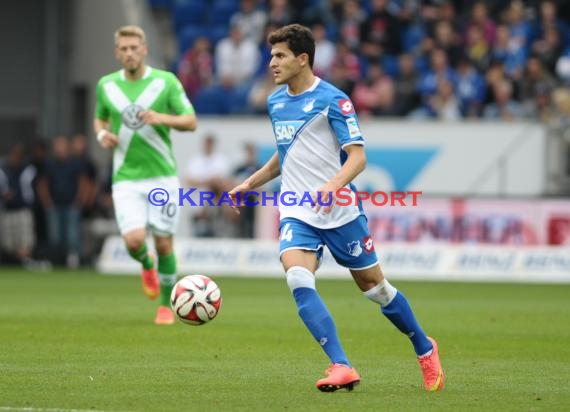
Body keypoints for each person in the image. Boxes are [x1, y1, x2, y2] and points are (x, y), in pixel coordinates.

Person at [228, 24, 444, 393]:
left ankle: (424, 347)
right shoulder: (275, 101)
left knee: (375, 288)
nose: (272, 63)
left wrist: (331, 186)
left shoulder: (334, 99)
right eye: (271, 55)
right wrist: (250, 182)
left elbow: (358, 158)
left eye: (280, 56)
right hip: (297, 209)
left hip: (340, 210)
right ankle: (341, 365)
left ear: (302, 58)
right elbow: (285, 155)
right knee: (297, 277)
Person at [93, 25, 197, 325]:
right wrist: (102, 136)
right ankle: (146, 263)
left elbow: (190, 121)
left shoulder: (165, 82)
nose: (129, 53)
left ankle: (165, 306)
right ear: (117, 52)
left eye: (133, 48)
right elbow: (100, 119)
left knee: (164, 242)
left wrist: (159, 117)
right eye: (123, 49)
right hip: (126, 176)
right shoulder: (106, 86)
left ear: (144, 49)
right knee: (134, 240)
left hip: (161, 175)